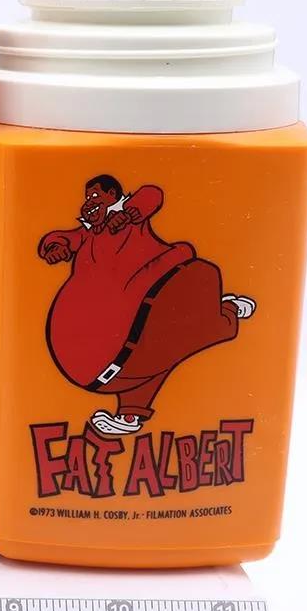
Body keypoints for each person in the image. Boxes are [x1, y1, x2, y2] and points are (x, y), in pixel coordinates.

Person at [38, 174, 256, 436]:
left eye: (96, 195)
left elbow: (152, 194)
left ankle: (226, 311)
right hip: (105, 345)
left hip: (151, 303)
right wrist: (54, 247)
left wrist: (130, 213)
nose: (89, 201)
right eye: (88, 196)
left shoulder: (132, 221)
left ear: (112, 195)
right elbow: (63, 237)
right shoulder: (88, 234)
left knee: (167, 342)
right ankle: (131, 415)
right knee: (148, 361)